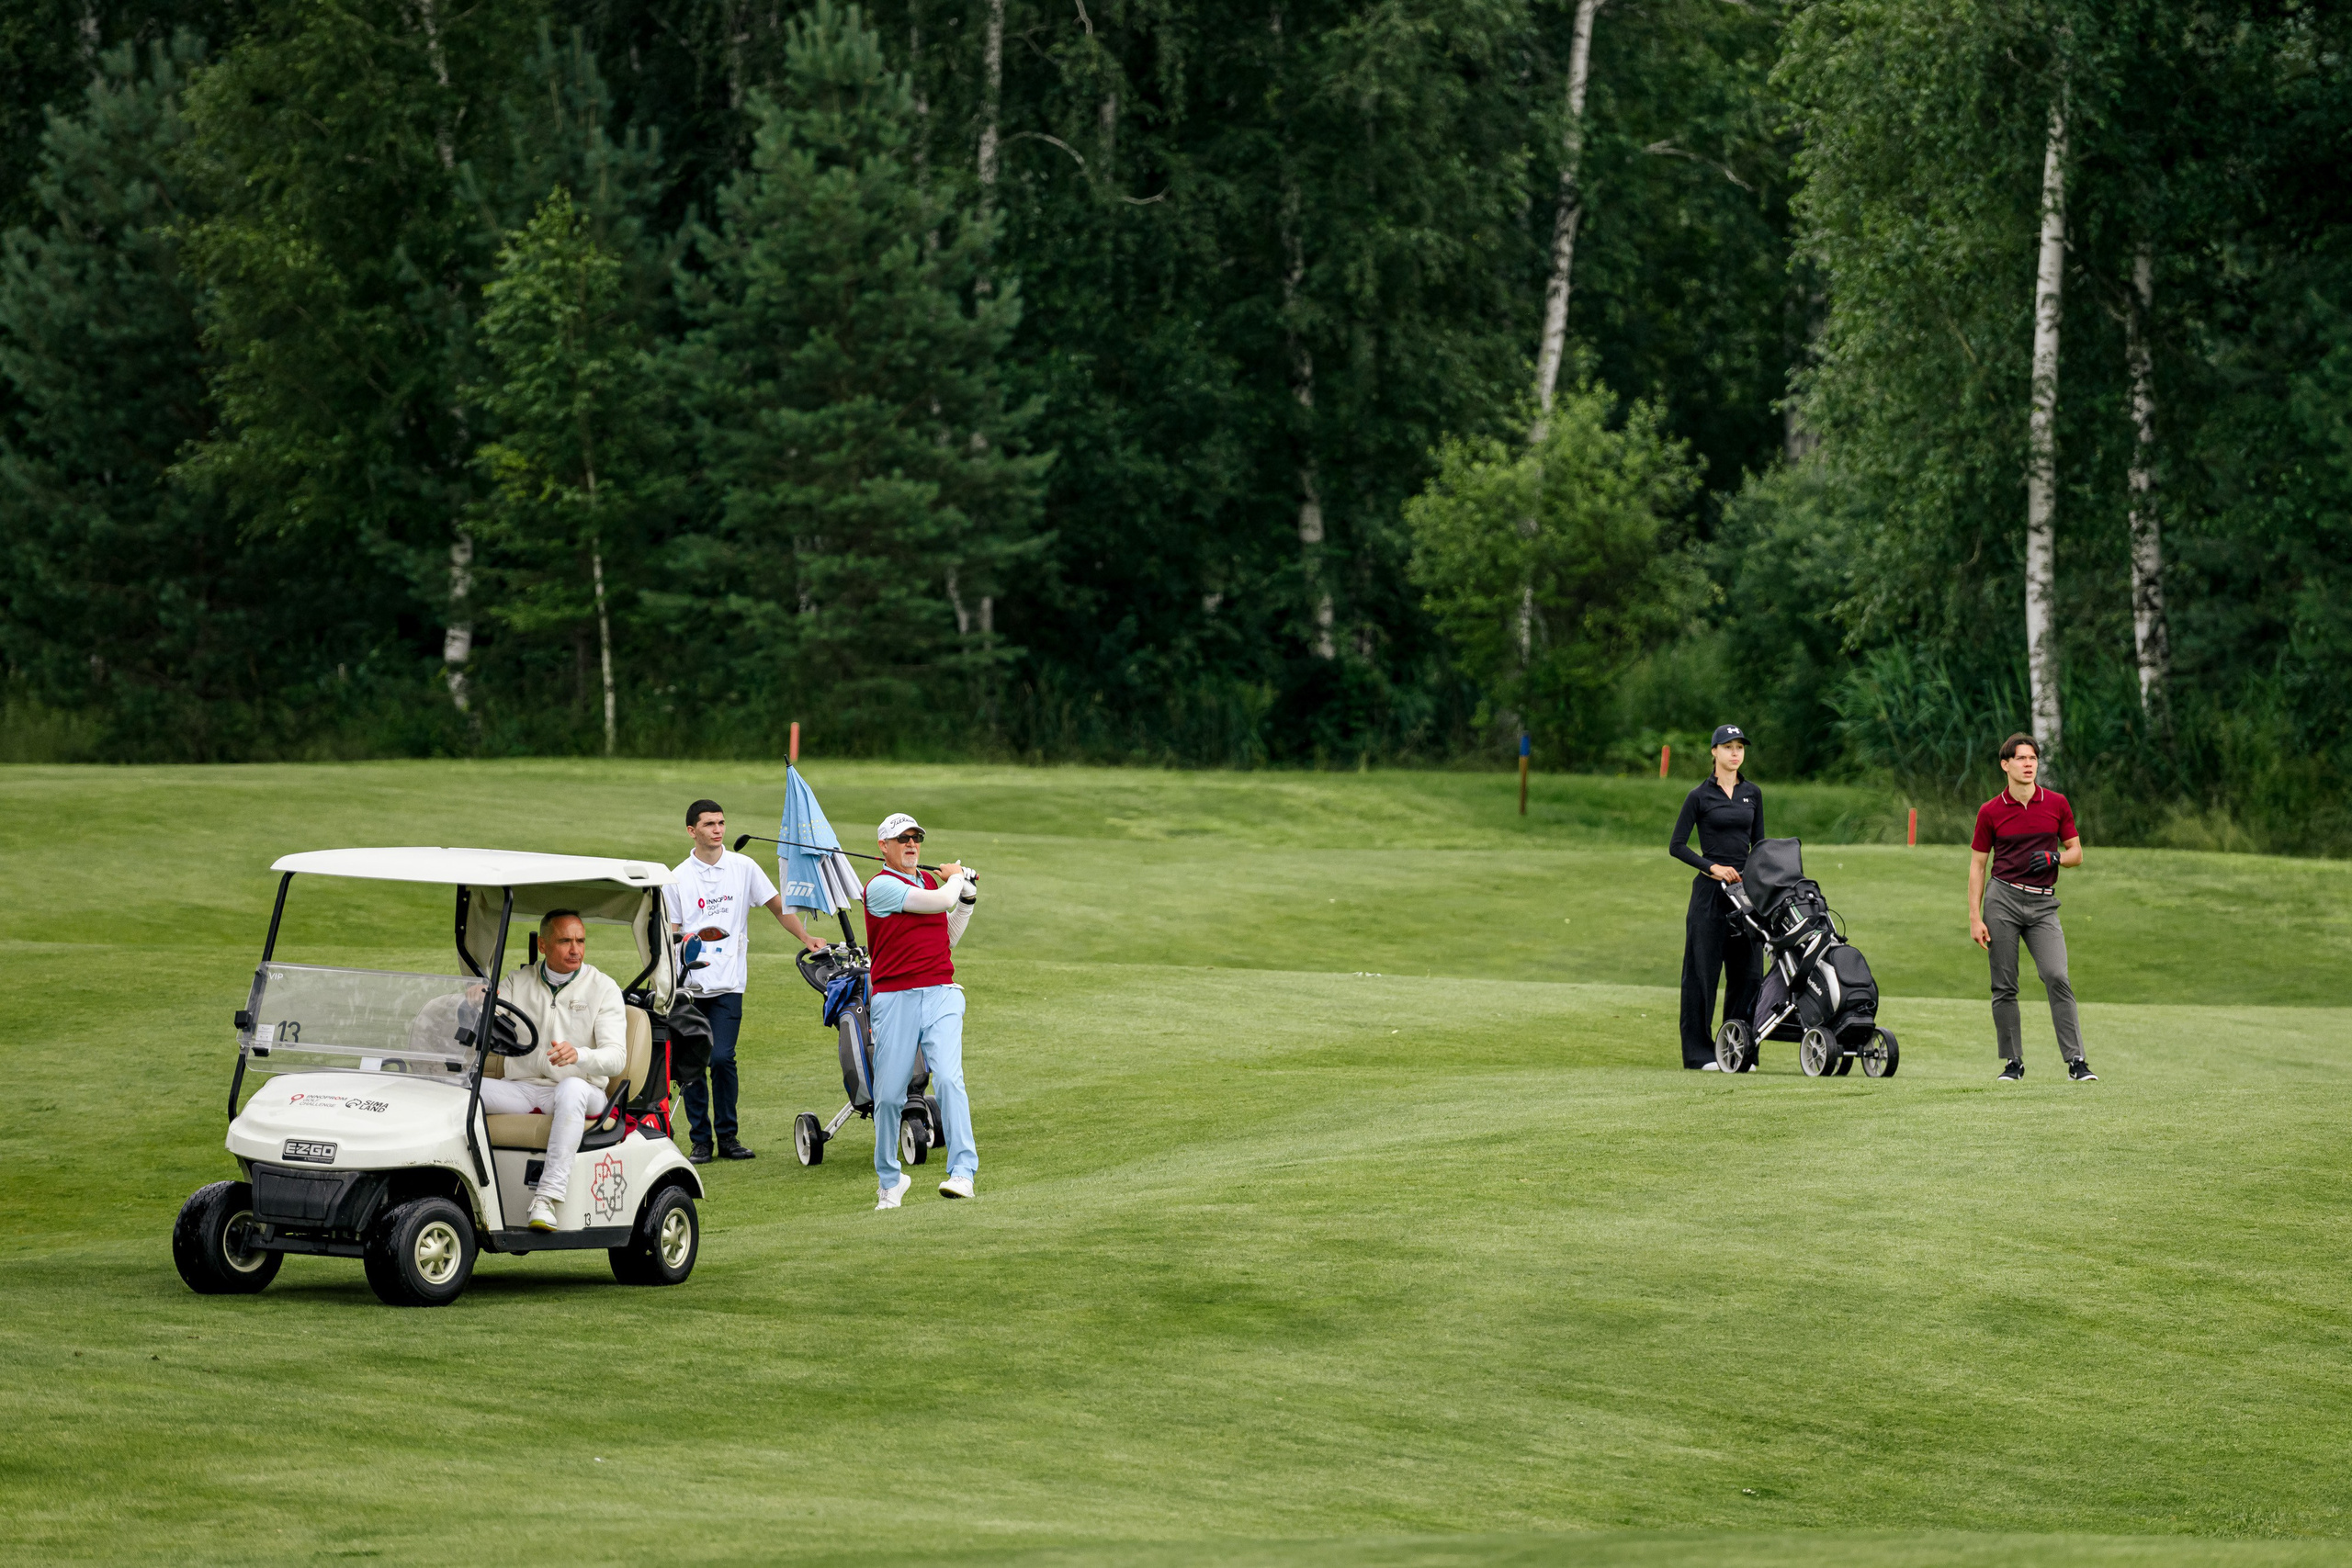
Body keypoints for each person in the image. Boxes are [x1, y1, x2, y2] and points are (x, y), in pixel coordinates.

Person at [665, 798, 827, 1165]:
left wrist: (806, 939)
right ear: (692, 831)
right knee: (693, 1064)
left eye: (721, 822)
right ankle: (701, 1142)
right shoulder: (678, 878)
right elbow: (672, 932)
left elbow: (777, 906)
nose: (718, 829)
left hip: (729, 983)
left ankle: (728, 1137)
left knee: (722, 1058)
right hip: (688, 986)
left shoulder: (744, 867)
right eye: (709, 824)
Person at [862, 811, 979, 1209]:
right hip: (895, 998)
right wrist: (957, 878)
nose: (912, 845)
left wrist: (967, 898)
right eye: (903, 839)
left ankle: (963, 1173)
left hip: (942, 992)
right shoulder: (879, 887)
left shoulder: (929, 881)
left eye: (916, 838)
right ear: (884, 846)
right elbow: (941, 900)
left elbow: (945, 934)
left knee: (949, 1078)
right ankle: (890, 1181)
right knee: (890, 1094)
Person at [481, 910, 628, 1231]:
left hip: (584, 1091)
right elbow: (489, 1017)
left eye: (580, 941)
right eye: (565, 941)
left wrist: (580, 1056)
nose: (575, 949)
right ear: (544, 945)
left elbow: (616, 1058)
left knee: (571, 1089)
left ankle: (546, 1197)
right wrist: (477, 1001)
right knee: (466, 1090)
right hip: (522, 1088)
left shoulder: (602, 988)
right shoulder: (518, 982)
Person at [1968, 734, 2095, 1082]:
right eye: (2021, 758)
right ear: (2005, 765)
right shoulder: (1990, 811)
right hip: (2002, 900)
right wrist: (1975, 916)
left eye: (2033, 758)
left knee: (2057, 975)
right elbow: (1978, 866)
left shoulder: (2056, 804)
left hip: (2043, 904)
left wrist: (2056, 856)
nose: (2029, 764)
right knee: (2004, 985)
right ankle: (2013, 1062)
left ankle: (2076, 1061)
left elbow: (2076, 853)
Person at [1670, 725, 1765, 1070]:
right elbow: (1676, 846)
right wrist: (1712, 867)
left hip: (1747, 896)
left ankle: (1739, 1051)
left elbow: (1761, 846)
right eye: (1728, 747)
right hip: (1710, 895)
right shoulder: (1699, 796)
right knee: (1702, 974)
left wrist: (1760, 883)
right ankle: (1699, 1053)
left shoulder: (1752, 793)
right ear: (1714, 752)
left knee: (1749, 974)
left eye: (1740, 747)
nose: (1735, 753)